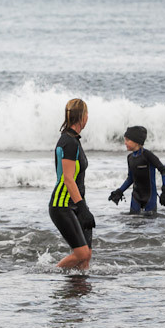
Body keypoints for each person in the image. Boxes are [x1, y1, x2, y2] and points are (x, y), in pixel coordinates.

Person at [48, 98, 93, 270]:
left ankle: (79, 293)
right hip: (62, 205)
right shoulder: (69, 142)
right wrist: (82, 208)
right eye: (87, 113)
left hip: (76, 202)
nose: (88, 117)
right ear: (82, 116)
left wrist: (82, 206)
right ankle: (49, 275)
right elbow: (67, 178)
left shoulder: (74, 140)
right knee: (81, 254)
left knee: (86, 257)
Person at [108, 126, 165, 215]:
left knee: (150, 223)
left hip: (150, 197)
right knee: (133, 223)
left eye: (128, 140)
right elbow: (130, 178)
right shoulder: (130, 158)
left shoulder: (148, 155)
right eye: (125, 140)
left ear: (137, 141)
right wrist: (120, 191)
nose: (125, 143)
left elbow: (163, 170)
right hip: (136, 197)